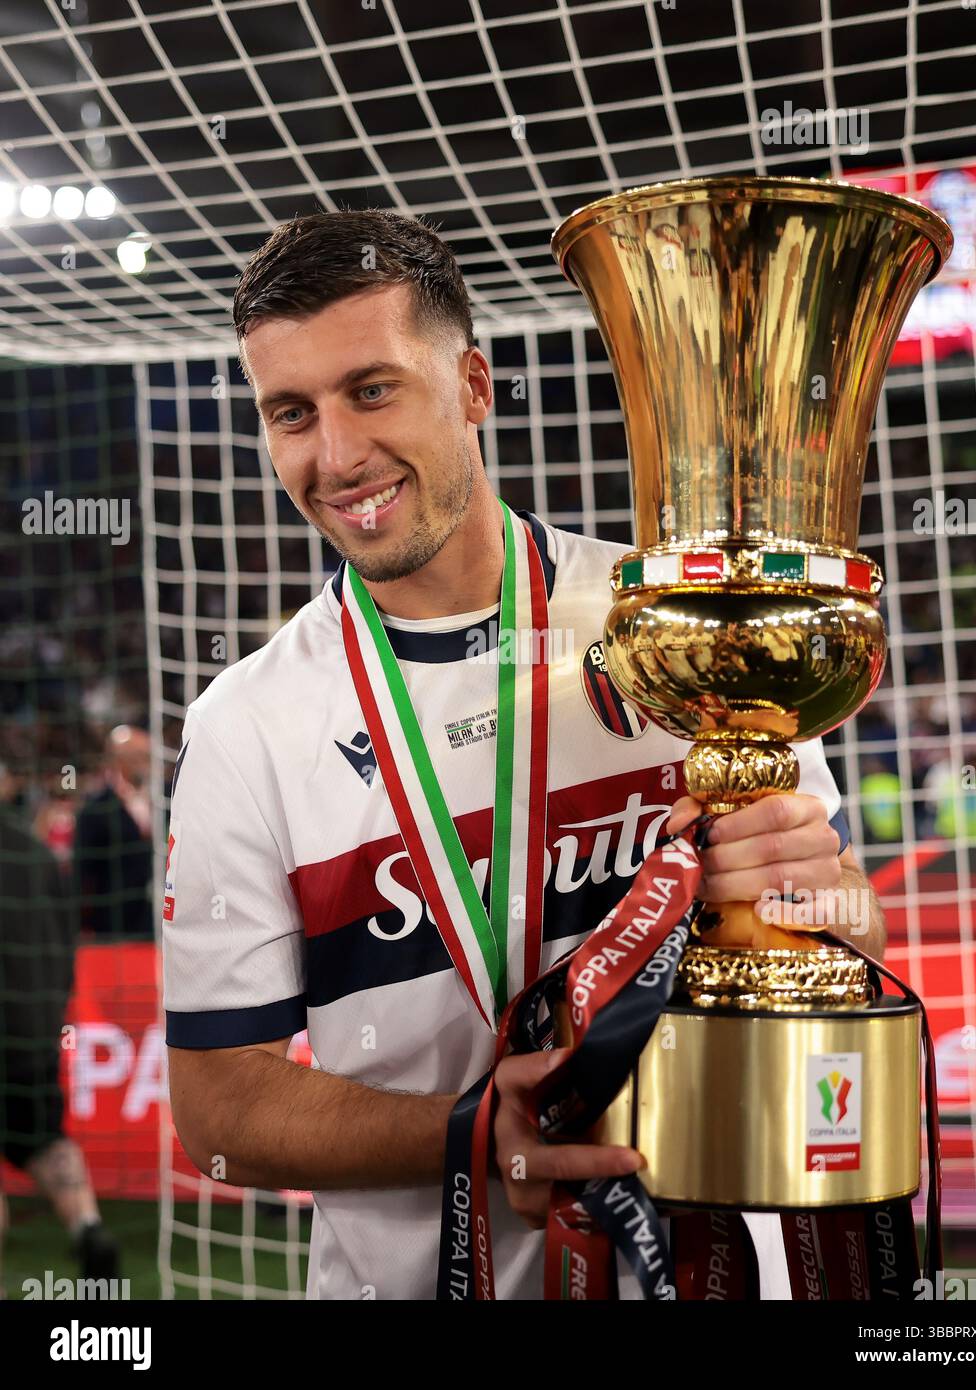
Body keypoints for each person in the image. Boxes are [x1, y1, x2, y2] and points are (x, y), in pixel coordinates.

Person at [163, 209, 885, 1300]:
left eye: (371, 389)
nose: (336, 456)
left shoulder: (681, 617)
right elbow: (220, 1115)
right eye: (289, 412)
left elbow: (849, 928)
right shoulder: (244, 726)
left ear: (471, 387)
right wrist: (468, 1134)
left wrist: (821, 902)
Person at [0, 802, 119, 1296]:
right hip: (35, 1028)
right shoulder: (37, 854)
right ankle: (88, 1227)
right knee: (46, 1139)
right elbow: (68, 938)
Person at [72, 725, 153, 939]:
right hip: (112, 928)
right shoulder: (95, 810)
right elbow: (82, 874)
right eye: (141, 756)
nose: (148, 764)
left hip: (157, 925)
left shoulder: (166, 799)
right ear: (119, 759)